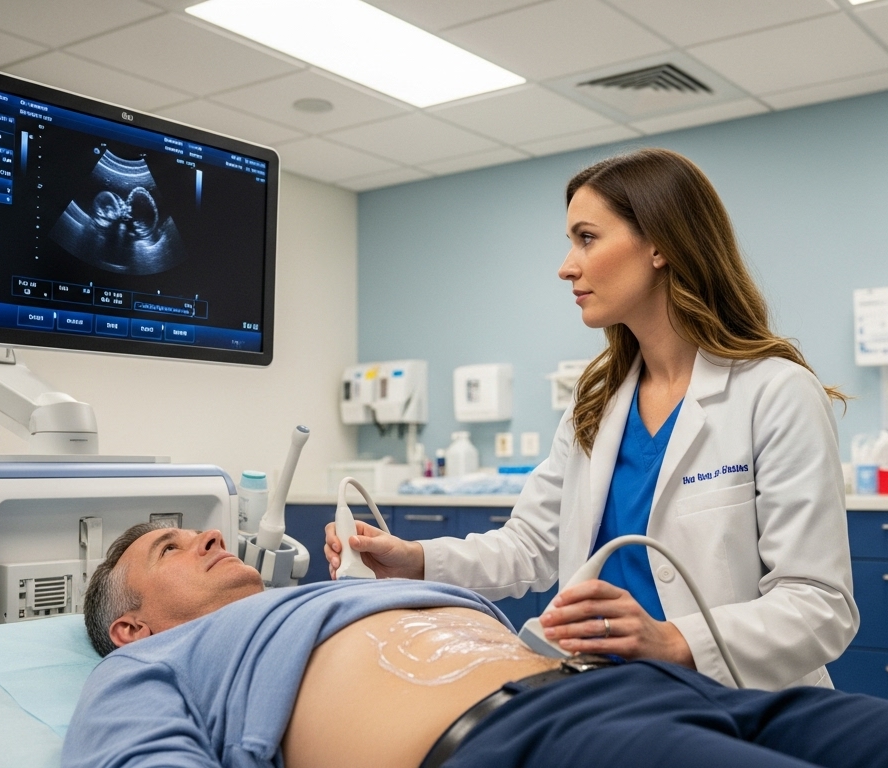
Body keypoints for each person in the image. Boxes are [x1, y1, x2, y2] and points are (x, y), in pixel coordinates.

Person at [325, 148, 857, 691]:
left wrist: (674, 641)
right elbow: (530, 546)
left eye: (587, 237)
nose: (566, 266)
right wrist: (413, 560)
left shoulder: (775, 392)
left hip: (739, 702)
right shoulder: (597, 399)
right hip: (604, 692)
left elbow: (820, 605)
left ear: (659, 245)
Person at [67, 522, 888, 768]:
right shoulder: (147, 668)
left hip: (657, 687)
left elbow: (520, 563)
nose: (209, 532)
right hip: (513, 743)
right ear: (129, 621)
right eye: (172, 542)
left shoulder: (335, 598)